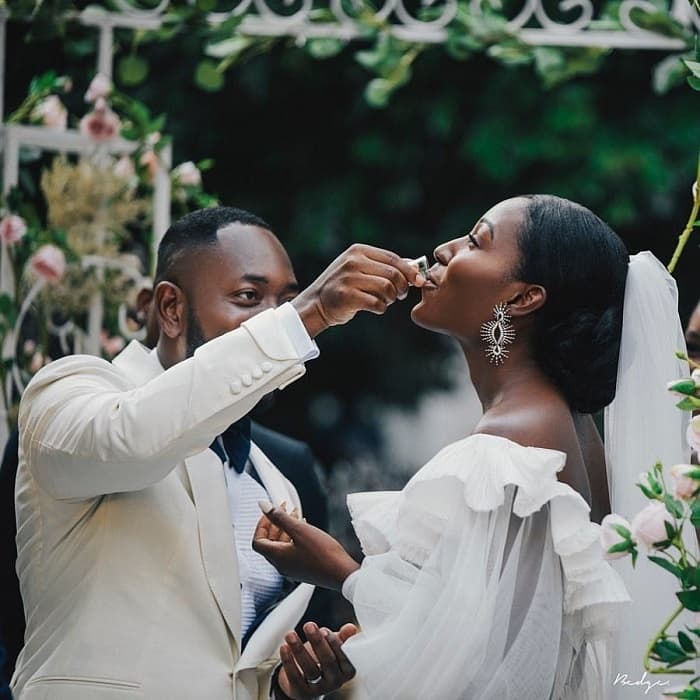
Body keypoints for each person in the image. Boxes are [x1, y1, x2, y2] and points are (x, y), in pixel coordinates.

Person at [253, 195, 691, 699]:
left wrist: (338, 572)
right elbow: (511, 627)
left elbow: (467, 667)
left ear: (524, 298)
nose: (442, 250)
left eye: (475, 241)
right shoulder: (567, 425)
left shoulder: (506, 451)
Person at [11, 206, 424, 700]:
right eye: (248, 297)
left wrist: (288, 687)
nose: (271, 318)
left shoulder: (277, 483)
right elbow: (133, 438)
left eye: (285, 301)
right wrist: (305, 314)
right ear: (171, 309)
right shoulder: (67, 394)